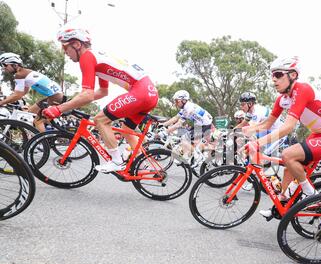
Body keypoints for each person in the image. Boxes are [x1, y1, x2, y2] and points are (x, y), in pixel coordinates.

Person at [43, 28, 159, 173]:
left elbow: (87, 95)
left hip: (140, 91)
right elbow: (103, 92)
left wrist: (59, 108)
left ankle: (117, 161)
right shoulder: (97, 57)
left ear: (77, 45)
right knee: (126, 129)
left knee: (100, 120)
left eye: (65, 47)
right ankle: (143, 164)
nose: (65, 53)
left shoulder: (87, 57)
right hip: (150, 93)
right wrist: (72, 102)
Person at [242, 56, 321, 218]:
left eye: (278, 75)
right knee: (287, 165)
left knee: (288, 154)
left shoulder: (302, 90)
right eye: (272, 76)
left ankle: (311, 194)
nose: (273, 79)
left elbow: (288, 127)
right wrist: (249, 130)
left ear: (293, 75)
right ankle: (283, 202)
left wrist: (258, 142)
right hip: (317, 135)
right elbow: (267, 124)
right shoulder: (282, 99)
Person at [0, 52, 64, 132]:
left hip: (54, 97)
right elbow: (23, 92)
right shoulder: (26, 72)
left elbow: (18, 95)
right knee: (30, 112)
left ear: (15, 65)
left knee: (37, 121)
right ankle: (49, 134)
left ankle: (44, 143)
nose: (3, 68)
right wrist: (8, 99)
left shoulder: (19, 75)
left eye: (5, 65)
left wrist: (2, 103)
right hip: (55, 95)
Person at [161, 90, 213, 164]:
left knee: (185, 138)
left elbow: (178, 124)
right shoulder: (186, 107)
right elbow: (175, 118)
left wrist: (165, 132)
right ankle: (190, 156)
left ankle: (197, 157)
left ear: (183, 100)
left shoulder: (188, 108)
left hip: (204, 125)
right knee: (186, 140)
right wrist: (163, 124)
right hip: (200, 124)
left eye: (177, 101)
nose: (175, 103)